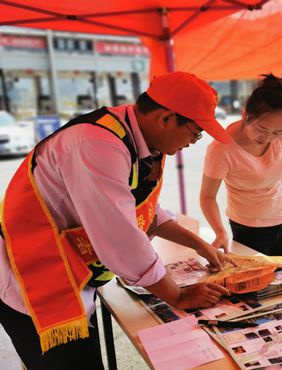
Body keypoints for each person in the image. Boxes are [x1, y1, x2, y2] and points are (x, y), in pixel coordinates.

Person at [0, 72, 236, 369]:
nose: (193, 142)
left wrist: (200, 245)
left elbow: (146, 211)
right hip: (33, 276)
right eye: (195, 132)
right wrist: (177, 295)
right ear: (166, 118)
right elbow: (120, 238)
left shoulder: (141, 139)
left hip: (73, 270)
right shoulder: (97, 144)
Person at [200, 74, 282, 259]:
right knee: (254, 285)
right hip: (248, 229)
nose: (268, 138)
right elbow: (207, 197)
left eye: (277, 132)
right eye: (261, 129)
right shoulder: (222, 149)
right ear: (245, 115)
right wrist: (220, 231)